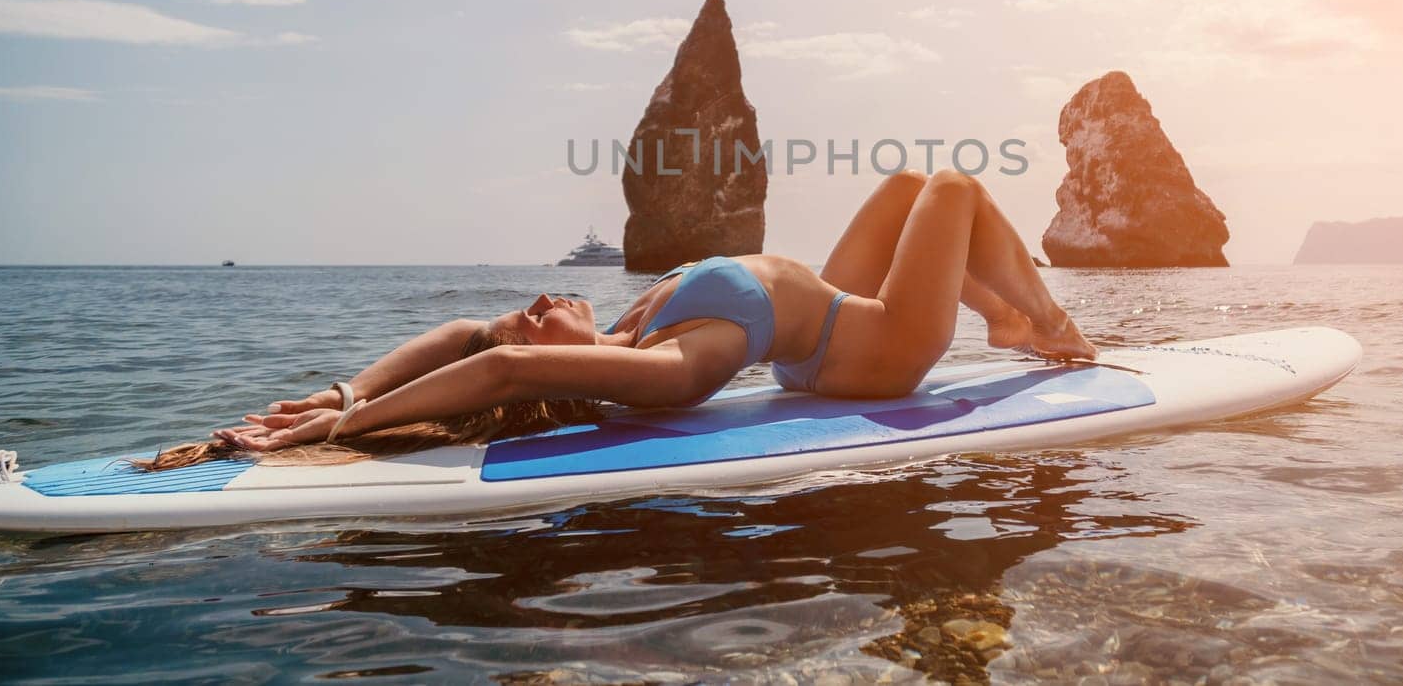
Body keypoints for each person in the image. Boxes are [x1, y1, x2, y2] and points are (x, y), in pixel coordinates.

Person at [213, 169, 1096, 456]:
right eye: (533, 318)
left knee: (907, 185)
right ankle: (1046, 319)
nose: (535, 306)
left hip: (830, 313)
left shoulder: (633, 324)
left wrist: (341, 388)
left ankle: (997, 312)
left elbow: (464, 339)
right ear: (560, 366)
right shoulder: (667, 368)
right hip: (878, 351)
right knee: (952, 184)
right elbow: (499, 366)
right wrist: (347, 429)